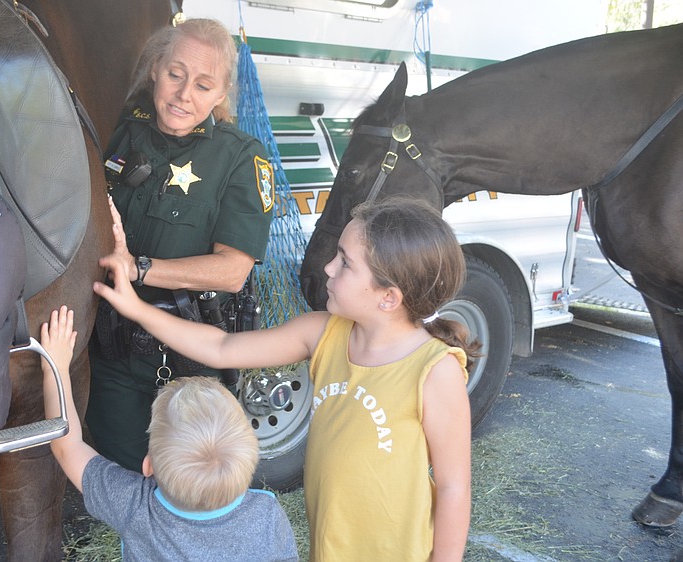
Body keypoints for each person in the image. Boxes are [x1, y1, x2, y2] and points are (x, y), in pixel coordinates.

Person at [95, 194, 477, 561]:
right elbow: (223, 348)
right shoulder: (325, 332)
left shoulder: (435, 370)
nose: (328, 267)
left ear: (388, 297)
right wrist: (137, 309)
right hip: (329, 547)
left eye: (344, 263)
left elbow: (453, 487)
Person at [87, 16, 275, 473]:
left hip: (191, 366)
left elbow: (233, 270)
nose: (184, 94)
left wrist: (140, 269)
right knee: (125, 481)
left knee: (191, 491)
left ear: (221, 93)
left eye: (203, 85)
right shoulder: (119, 131)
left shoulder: (241, 157)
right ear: (155, 68)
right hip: (112, 356)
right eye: (176, 74)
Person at [40, 306, 298, 562]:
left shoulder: (136, 506)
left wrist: (56, 368)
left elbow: (67, 447)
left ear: (148, 465)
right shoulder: (267, 514)